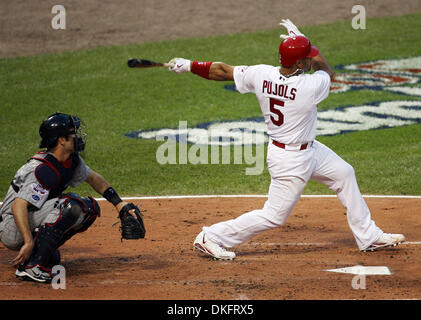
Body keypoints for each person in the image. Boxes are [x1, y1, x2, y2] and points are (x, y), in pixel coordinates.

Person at [167, 19, 405, 260]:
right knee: (274, 216)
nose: (311, 59)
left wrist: (188, 65)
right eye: (307, 57)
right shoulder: (310, 86)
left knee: (344, 173)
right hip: (291, 160)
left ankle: (368, 236)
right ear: (300, 63)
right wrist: (304, 39)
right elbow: (327, 71)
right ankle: (212, 236)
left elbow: (221, 70)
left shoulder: (261, 74)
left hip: (308, 149)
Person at [0, 112, 145, 282]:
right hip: (12, 226)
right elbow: (18, 206)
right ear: (61, 140)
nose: (78, 136)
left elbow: (94, 178)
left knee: (89, 209)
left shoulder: (69, 160)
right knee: (70, 206)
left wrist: (118, 204)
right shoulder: (41, 169)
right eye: (73, 133)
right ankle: (33, 266)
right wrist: (28, 241)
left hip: (30, 217)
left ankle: (40, 255)